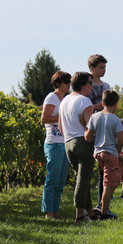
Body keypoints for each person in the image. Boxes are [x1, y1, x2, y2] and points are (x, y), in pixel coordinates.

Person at [59, 72, 98, 222]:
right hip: (83, 143)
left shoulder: (64, 100)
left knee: (82, 179)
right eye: (89, 82)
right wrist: (88, 133)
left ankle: (91, 214)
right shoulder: (85, 102)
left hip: (68, 143)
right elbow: (90, 130)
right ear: (82, 84)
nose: (92, 85)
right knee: (83, 180)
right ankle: (80, 215)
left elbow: (61, 127)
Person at [85, 90, 123, 220]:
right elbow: (121, 140)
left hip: (98, 153)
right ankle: (104, 212)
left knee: (113, 180)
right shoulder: (116, 120)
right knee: (109, 183)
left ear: (103, 103)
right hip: (110, 153)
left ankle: (102, 205)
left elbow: (88, 137)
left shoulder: (94, 117)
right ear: (116, 104)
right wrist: (118, 153)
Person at [40, 71, 71, 220]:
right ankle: (48, 213)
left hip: (63, 144)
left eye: (69, 82)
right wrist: (62, 116)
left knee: (60, 180)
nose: (69, 84)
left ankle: (56, 211)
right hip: (53, 144)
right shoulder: (52, 97)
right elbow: (44, 118)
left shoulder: (64, 99)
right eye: (66, 82)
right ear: (58, 83)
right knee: (52, 179)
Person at [88, 54, 110, 208]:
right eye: (101, 67)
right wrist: (98, 106)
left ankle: (101, 203)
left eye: (105, 67)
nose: (104, 70)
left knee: (103, 170)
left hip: (104, 130)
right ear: (92, 69)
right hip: (89, 129)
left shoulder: (106, 86)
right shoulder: (86, 86)